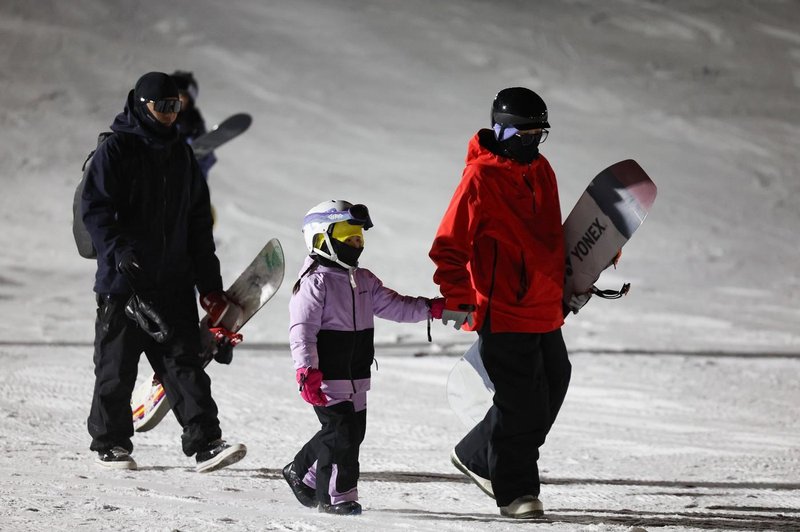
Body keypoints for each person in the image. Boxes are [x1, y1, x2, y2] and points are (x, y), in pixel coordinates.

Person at [428, 87, 590, 519]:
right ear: (500, 129)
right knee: (521, 403)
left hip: (544, 308)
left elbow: (550, 239)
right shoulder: (479, 180)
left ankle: (478, 455)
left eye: (541, 133)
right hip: (501, 309)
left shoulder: (541, 170)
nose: (533, 142)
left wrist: (581, 271)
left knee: (554, 384)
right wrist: (458, 298)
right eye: (525, 132)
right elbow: (447, 247)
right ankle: (515, 491)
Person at [81, 71, 246, 473]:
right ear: (142, 105)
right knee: (116, 368)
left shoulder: (182, 156)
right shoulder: (116, 150)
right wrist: (118, 251)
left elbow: (197, 226)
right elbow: (95, 210)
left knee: (183, 364)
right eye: (163, 106)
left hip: (171, 282)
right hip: (124, 284)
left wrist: (210, 287)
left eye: (176, 107)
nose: (171, 115)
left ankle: (206, 441)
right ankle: (110, 442)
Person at [282, 200, 445, 516]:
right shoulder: (315, 282)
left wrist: (430, 308)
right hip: (325, 375)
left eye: (359, 237)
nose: (356, 243)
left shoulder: (364, 280)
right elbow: (301, 330)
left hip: (356, 374)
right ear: (321, 237)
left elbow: (396, 305)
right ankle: (337, 496)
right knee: (341, 434)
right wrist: (305, 370)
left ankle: (303, 472)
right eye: (348, 235)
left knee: (351, 434)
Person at [170, 70, 217, 180]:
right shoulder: (159, 115)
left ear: (189, 100)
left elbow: (206, 160)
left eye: (181, 96)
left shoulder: (194, 123)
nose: (176, 100)